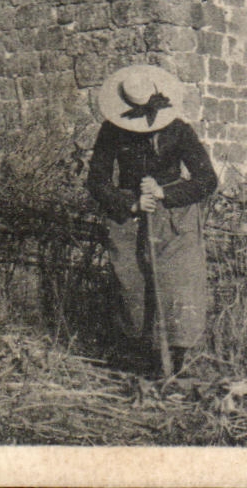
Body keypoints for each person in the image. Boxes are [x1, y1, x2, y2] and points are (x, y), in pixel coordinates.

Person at [85, 64, 217, 375]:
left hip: (174, 221)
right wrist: (130, 202)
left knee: (177, 287)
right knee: (132, 285)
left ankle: (172, 364)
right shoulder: (112, 130)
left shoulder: (179, 130)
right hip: (130, 219)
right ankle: (137, 361)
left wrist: (162, 194)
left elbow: (206, 180)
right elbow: (97, 181)